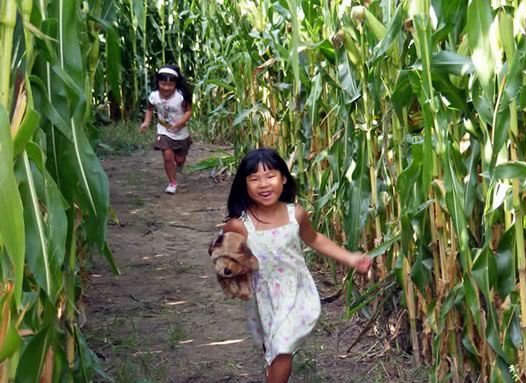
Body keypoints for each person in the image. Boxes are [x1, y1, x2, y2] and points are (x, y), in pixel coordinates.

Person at [223, 148, 371, 383]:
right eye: (254, 179)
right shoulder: (240, 225)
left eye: (270, 176)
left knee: (282, 348)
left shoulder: (295, 214)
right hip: (263, 294)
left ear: (283, 178)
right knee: (272, 345)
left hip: (295, 290)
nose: (263, 184)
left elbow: (314, 239)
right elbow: (227, 258)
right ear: (244, 185)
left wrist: (350, 258)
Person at [139, 65, 192, 194]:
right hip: (163, 130)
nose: (166, 88)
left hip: (180, 132)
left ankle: (179, 164)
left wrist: (180, 122)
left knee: (180, 159)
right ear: (158, 82)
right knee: (168, 157)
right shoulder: (154, 96)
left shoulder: (181, 96)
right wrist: (146, 122)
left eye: (170, 85)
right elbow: (150, 109)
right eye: (163, 84)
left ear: (175, 84)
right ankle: (172, 183)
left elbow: (188, 111)